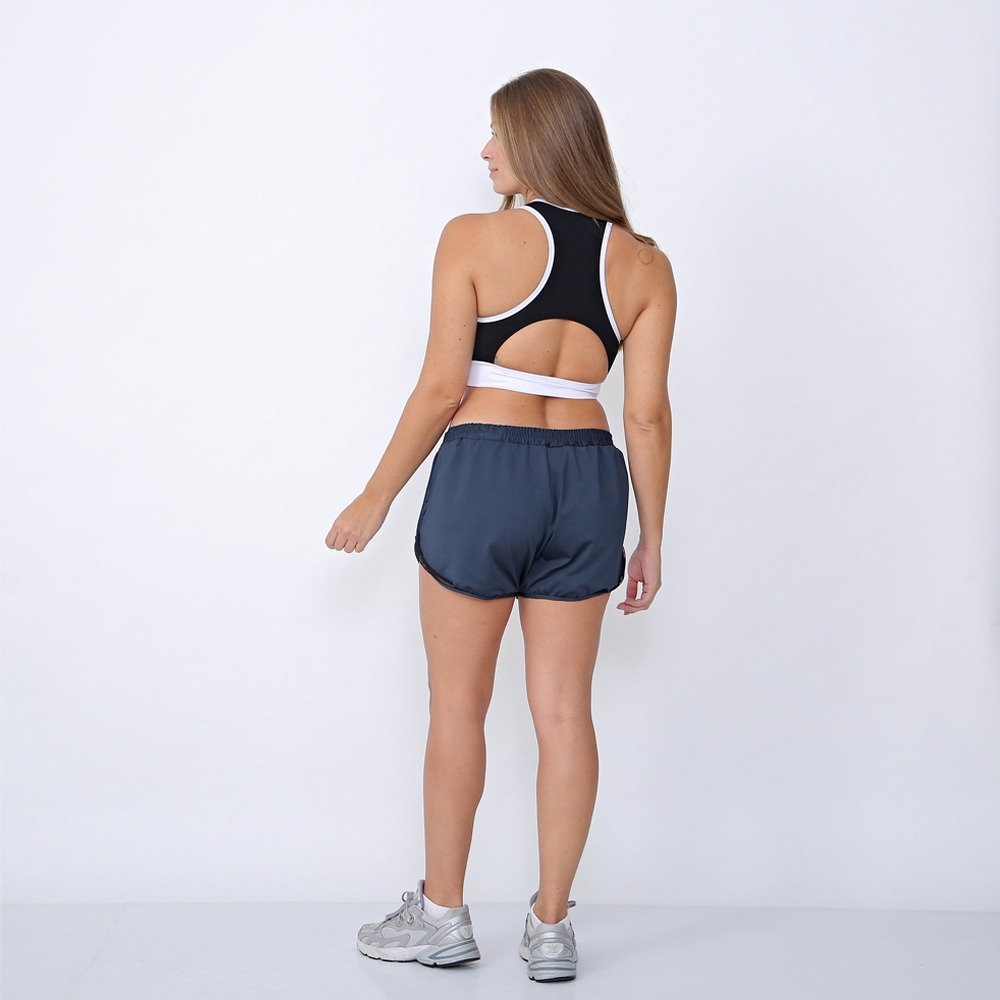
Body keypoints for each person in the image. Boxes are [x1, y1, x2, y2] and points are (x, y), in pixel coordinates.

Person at [325, 67, 676, 984]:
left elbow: (443, 387)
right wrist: (651, 536)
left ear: (538, 141)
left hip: (487, 472)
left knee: (457, 707)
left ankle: (443, 916)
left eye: (497, 134)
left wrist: (375, 496)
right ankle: (552, 928)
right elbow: (645, 416)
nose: (485, 152)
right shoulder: (644, 265)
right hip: (589, 480)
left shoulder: (474, 237)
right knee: (564, 712)